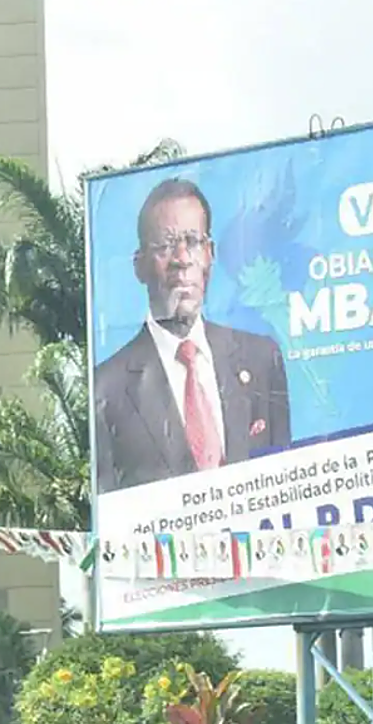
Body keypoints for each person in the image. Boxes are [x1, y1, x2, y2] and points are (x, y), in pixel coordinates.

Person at [93, 177, 292, 494]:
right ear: (139, 265)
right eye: (165, 245)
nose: (182, 259)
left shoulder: (261, 360)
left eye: (193, 242)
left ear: (210, 254)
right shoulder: (106, 388)